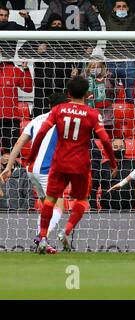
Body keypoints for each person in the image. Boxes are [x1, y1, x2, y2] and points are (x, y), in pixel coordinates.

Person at [25, 76, 117, 254]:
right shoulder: (92, 114)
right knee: (81, 200)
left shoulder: (58, 109)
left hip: (59, 162)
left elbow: (43, 131)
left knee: (50, 200)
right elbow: (105, 139)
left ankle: (43, 237)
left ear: (68, 93)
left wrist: (32, 156)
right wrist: (112, 162)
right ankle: (66, 231)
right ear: (87, 93)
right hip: (80, 164)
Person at [0, 92, 69, 253]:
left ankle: (41, 243)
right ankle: (41, 237)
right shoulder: (64, 121)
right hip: (47, 170)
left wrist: (9, 166)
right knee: (59, 206)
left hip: (31, 170)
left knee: (46, 206)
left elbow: (18, 142)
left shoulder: (36, 120)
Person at [92, 0, 135, 102]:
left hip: (129, 62)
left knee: (131, 96)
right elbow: (100, 3)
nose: (121, 8)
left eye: (124, 6)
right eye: (119, 6)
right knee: (108, 97)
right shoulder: (108, 18)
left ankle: (133, 117)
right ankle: (109, 117)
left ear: (128, 8)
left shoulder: (134, 18)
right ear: (114, 9)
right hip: (111, 62)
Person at [99, 138, 135, 210]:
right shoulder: (103, 166)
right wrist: (93, 207)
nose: (119, 149)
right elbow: (93, 186)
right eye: (116, 147)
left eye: (121, 147)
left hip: (129, 209)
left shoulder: (133, 164)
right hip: (106, 209)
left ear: (125, 149)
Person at [0, 60, 33, 153]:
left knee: (11, 153)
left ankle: (12, 166)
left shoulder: (14, 70)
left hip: (10, 119)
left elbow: (28, 88)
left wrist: (26, 69)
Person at [82, 59, 116, 138]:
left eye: (97, 67)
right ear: (89, 68)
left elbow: (114, 92)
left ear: (102, 67)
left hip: (105, 116)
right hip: (88, 116)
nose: (95, 69)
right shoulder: (83, 78)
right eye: (93, 67)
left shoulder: (109, 77)